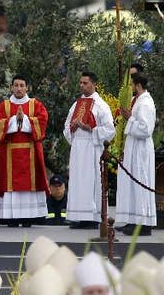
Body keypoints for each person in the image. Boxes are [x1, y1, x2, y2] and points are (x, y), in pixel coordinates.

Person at [0, 74, 50, 227]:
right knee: (11, 185)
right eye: (16, 85)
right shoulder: (4, 105)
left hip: (30, 152)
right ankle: (11, 218)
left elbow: (43, 121)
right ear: (11, 87)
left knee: (29, 184)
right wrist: (14, 120)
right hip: (9, 153)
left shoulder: (35, 104)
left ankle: (28, 217)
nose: (18, 88)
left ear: (27, 88)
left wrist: (24, 119)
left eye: (21, 85)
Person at [63, 72, 115, 229]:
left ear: (94, 84)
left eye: (85, 83)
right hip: (78, 148)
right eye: (80, 83)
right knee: (77, 182)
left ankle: (92, 218)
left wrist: (90, 129)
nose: (82, 85)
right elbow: (66, 126)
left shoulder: (101, 105)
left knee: (90, 182)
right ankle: (77, 216)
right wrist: (71, 129)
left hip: (92, 148)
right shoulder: (76, 104)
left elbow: (110, 130)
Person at [115, 73, 157, 236]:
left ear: (138, 85)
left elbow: (146, 129)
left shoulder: (145, 102)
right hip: (134, 146)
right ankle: (132, 220)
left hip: (141, 149)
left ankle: (143, 223)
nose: (131, 88)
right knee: (132, 183)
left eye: (132, 85)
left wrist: (130, 118)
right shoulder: (139, 100)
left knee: (140, 182)